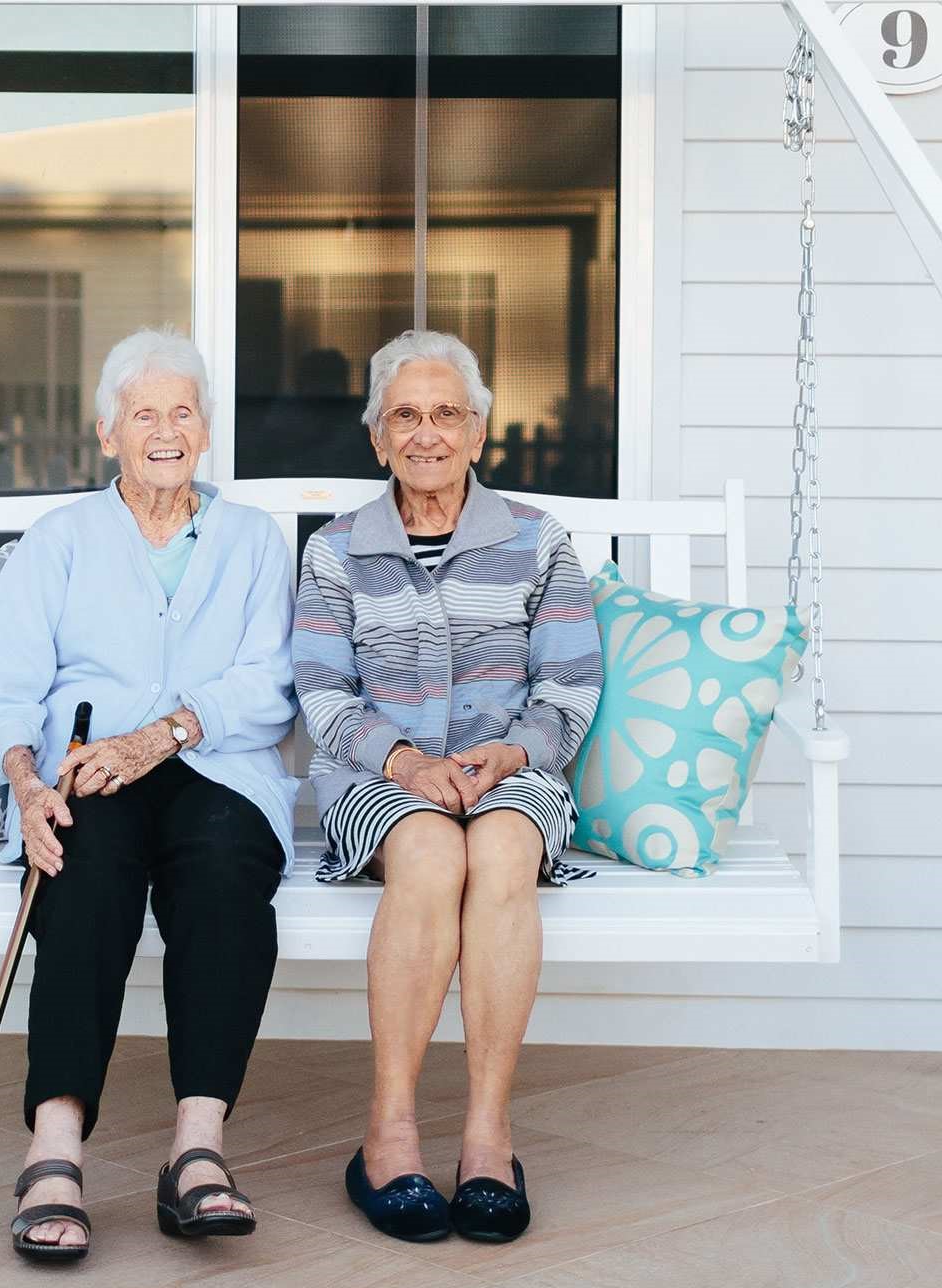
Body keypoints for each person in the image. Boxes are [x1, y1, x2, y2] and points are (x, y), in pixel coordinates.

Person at [0, 327, 301, 1263]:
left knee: (226, 870)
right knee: (83, 869)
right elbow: (5, 688)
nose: (166, 430)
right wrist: (30, 786)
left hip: (215, 763)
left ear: (205, 432)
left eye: (183, 412)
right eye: (144, 413)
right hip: (83, 770)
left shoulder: (249, 541)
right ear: (108, 432)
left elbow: (270, 681)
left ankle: (198, 1151)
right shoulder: (61, 540)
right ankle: (55, 1148)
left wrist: (166, 732)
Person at [292, 330, 604, 1244]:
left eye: (446, 414)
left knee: (501, 845)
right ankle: (388, 1133)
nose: (425, 434)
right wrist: (406, 764)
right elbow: (322, 691)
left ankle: (485, 1136)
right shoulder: (337, 550)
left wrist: (508, 757)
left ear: (478, 434)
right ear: (378, 439)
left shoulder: (538, 542)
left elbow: (570, 684)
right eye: (404, 416)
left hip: (513, 769)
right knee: (429, 851)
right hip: (377, 774)